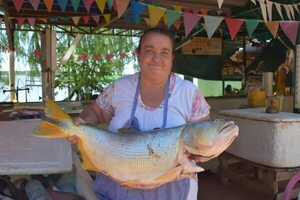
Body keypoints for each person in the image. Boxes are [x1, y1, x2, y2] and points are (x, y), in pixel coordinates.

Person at [68, 27, 210, 200]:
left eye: (164, 52)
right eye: (149, 50)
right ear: (138, 54)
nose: (157, 58)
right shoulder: (119, 88)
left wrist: (202, 151)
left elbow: (203, 138)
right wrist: (83, 122)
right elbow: (95, 112)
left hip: (174, 192)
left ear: (172, 57)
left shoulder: (189, 93)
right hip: (117, 190)